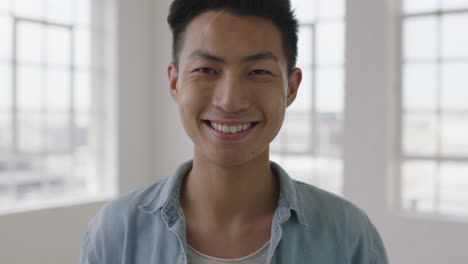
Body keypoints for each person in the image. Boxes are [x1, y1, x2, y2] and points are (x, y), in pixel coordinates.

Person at [80, 0, 389, 263]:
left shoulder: (348, 236)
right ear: (175, 83)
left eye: (258, 72)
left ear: (290, 88)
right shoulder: (115, 234)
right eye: (206, 70)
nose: (229, 101)